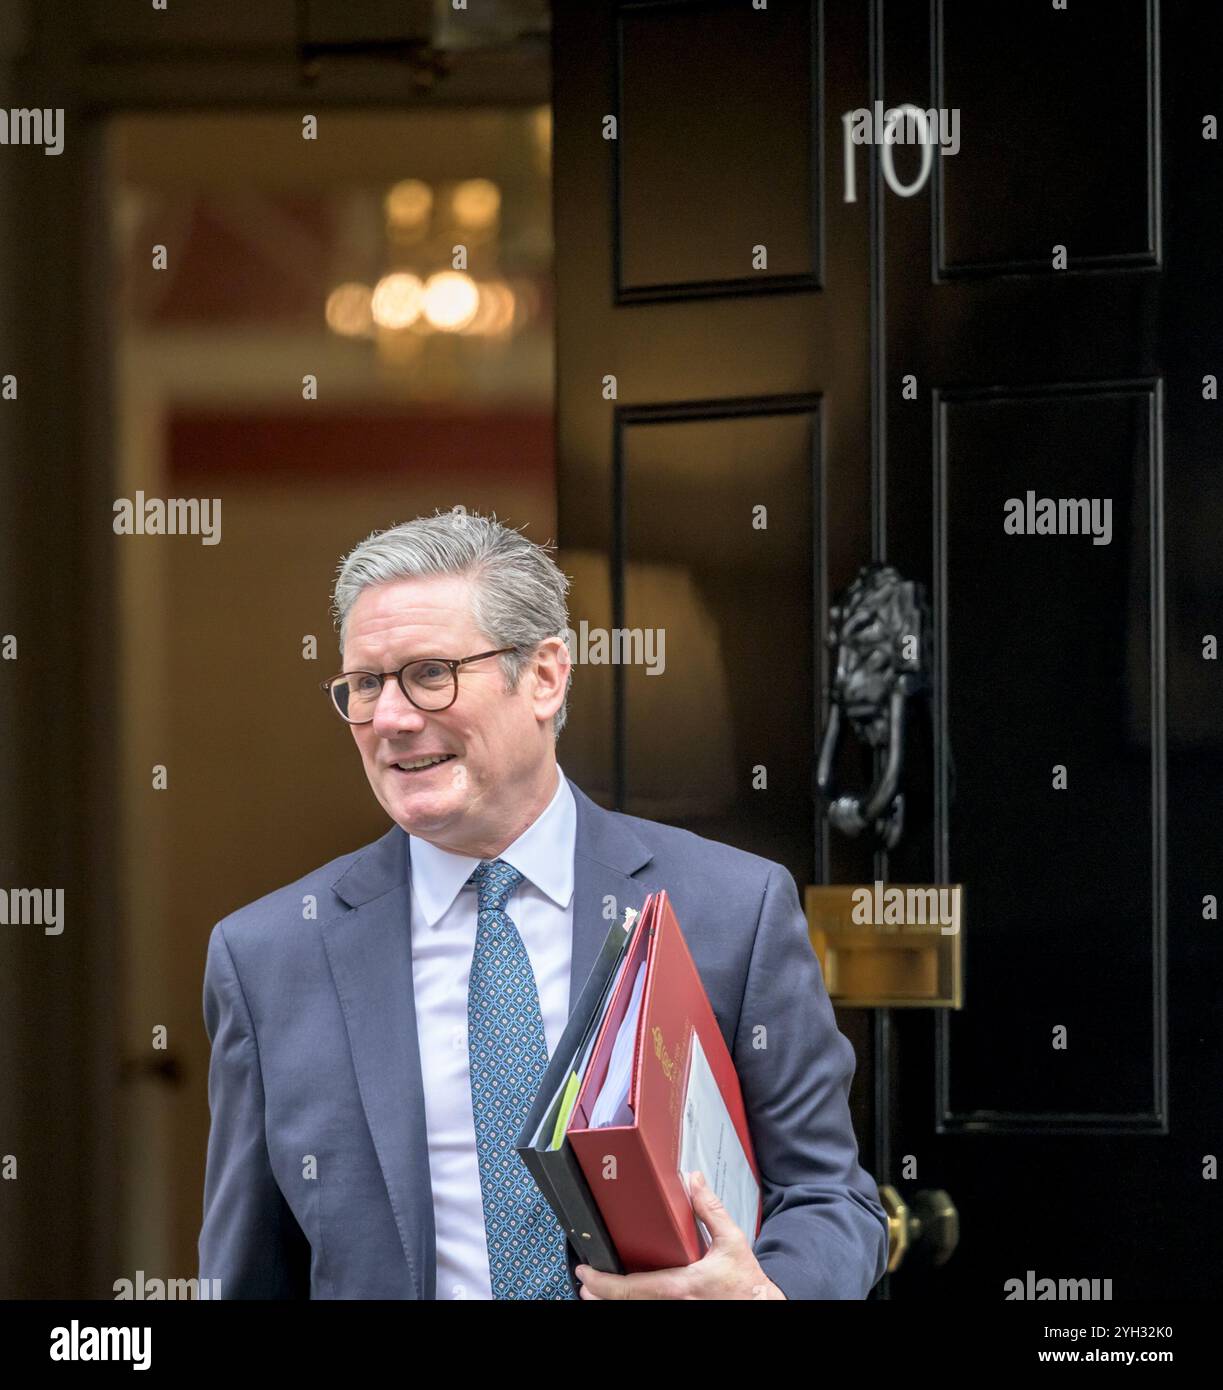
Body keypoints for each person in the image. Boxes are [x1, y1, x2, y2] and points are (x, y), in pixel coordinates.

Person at [197, 510, 890, 1300]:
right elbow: (246, 1270)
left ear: (546, 675)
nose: (389, 718)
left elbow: (829, 1198)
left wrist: (766, 1293)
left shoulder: (733, 907)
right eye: (363, 685)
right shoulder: (270, 957)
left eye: (429, 673)